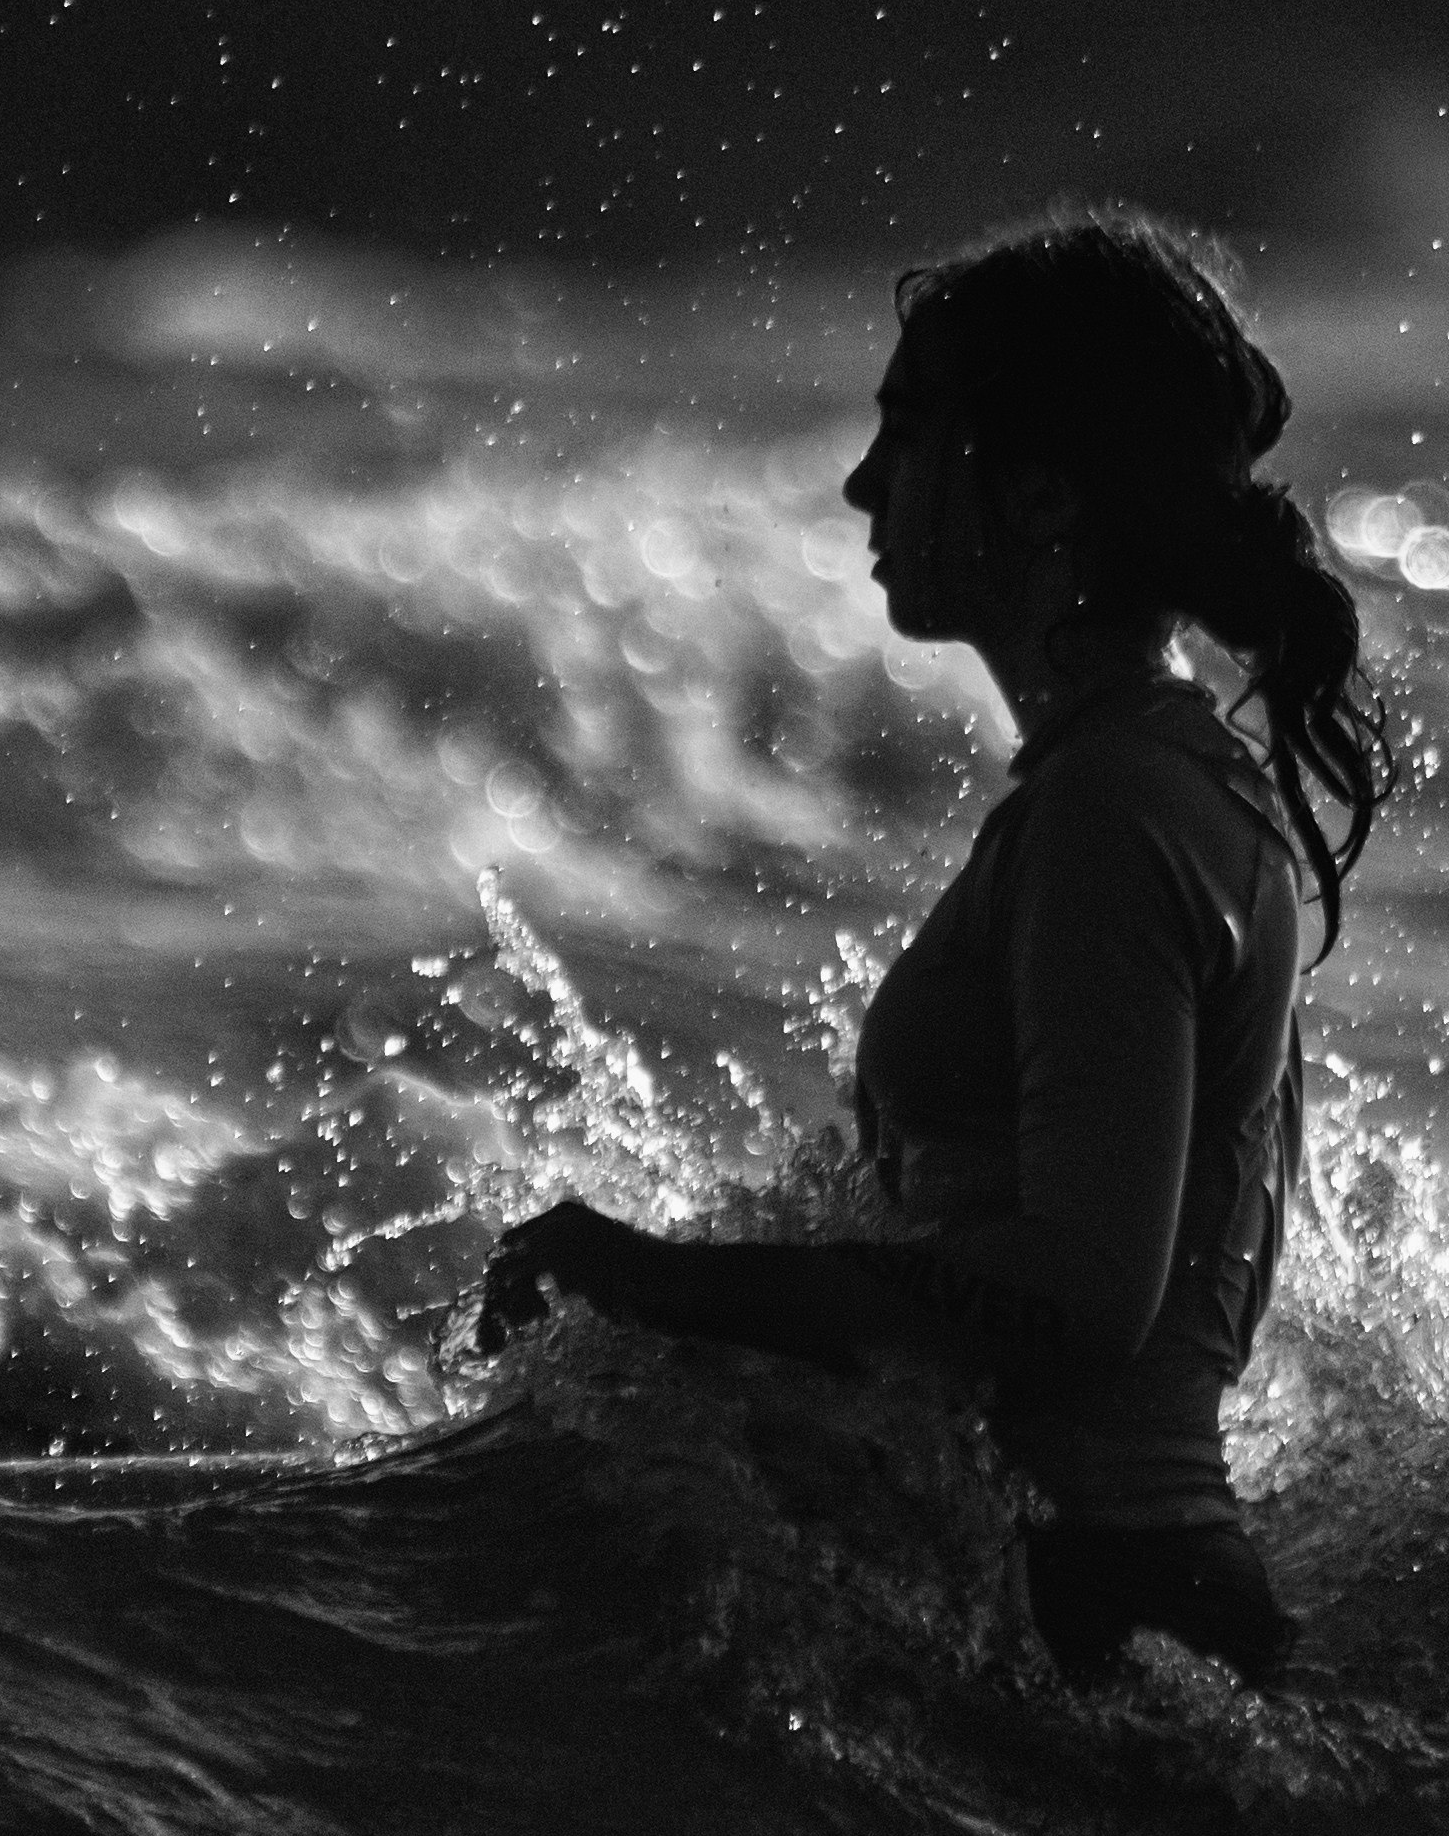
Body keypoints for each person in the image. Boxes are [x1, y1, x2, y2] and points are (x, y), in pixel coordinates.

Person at [476, 209, 1390, 1690]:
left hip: (1113, 1607)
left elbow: (1083, 1297)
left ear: (1038, 497)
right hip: (1118, 1597)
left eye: (906, 434)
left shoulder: (1116, 813)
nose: (859, 484)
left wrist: (661, 1282)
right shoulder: (1146, 780)